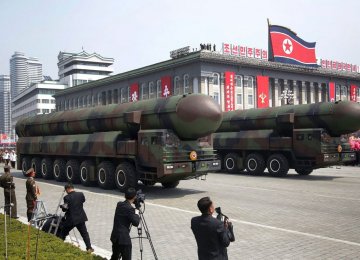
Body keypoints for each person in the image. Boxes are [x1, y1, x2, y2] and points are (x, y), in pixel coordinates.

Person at [59, 183, 94, 253]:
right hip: (81, 218)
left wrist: (62, 207)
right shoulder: (81, 194)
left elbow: (65, 209)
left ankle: (59, 245)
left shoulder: (66, 197)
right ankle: (89, 248)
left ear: (67, 189)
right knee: (84, 233)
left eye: (66, 190)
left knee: (63, 232)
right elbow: (83, 201)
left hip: (71, 219)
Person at [110, 187, 140, 260]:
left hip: (115, 237)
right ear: (134, 197)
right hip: (123, 240)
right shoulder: (130, 209)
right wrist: (137, 210)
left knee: (115, 257)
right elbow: (136, 223)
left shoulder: (119, 204)